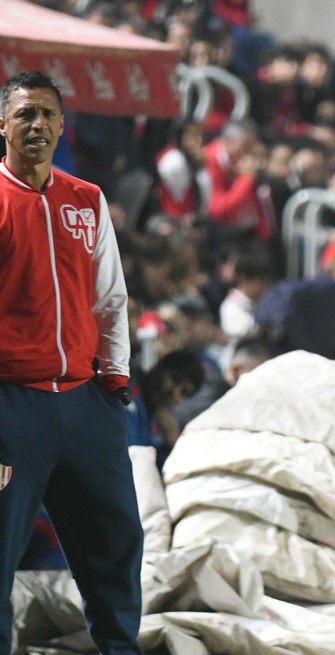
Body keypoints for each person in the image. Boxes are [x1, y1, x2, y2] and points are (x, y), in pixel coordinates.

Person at [0, 71, 145, 655]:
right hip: (12, 408)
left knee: (115, 541)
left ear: (63, 125)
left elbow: (111, 297)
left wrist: (115, 381)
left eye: (47, 114)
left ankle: (120, 649)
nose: (36, 124)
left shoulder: (87, 199)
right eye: (24, 114)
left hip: (88, 404)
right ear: (1, 125)